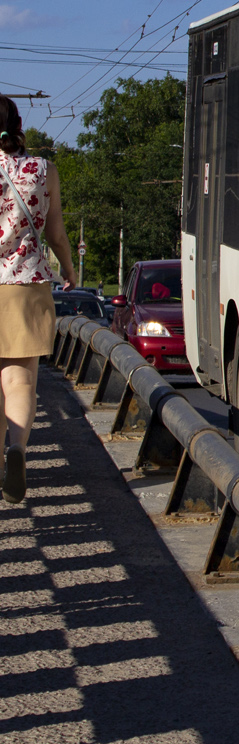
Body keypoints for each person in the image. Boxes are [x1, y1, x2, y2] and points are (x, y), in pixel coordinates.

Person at [0, 95, 75, 504]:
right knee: (19, 380)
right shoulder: (42, 170)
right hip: (25, 283)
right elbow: (57, 233)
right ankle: (17, 450)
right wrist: (68, 268)